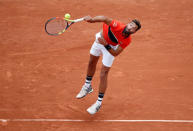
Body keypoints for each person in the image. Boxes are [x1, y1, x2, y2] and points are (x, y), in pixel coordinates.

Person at [76, 15, 141, 115]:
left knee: (104, 73)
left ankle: (98, 103)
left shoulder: (127, 40)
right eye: (131, 24)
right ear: (128, 24)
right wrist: (91, 20)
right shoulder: (117, 25)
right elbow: (104, 18)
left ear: (134, 32)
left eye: (134, 28)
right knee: (91, 62)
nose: (131, 27)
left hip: (110, 49)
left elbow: (115, 53)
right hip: (100, 41)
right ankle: (87, 86)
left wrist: (105, 44)